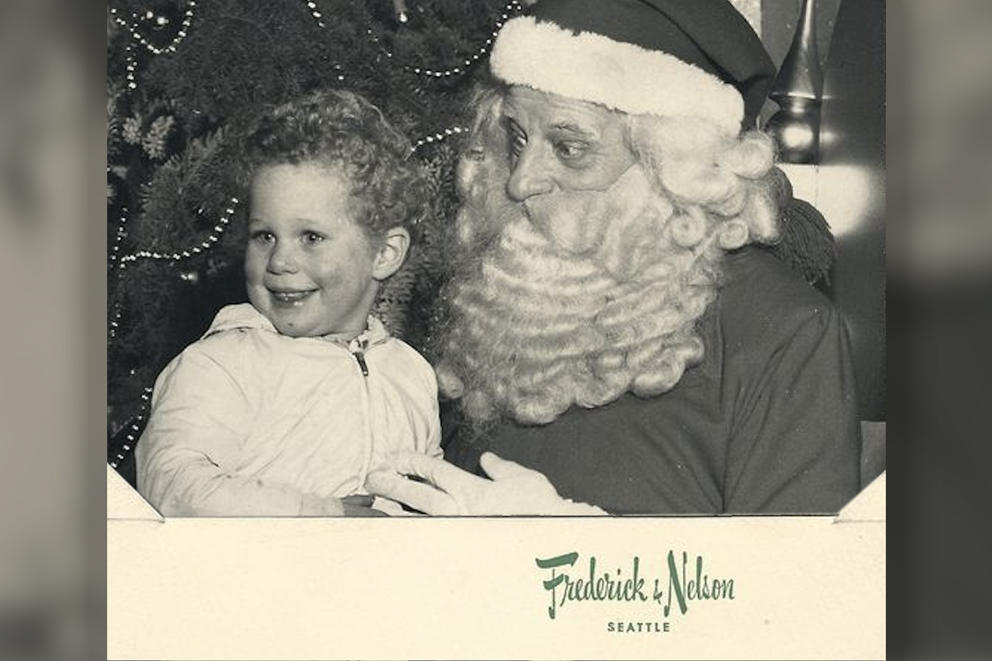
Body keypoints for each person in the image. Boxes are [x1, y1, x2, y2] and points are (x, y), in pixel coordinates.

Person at [367, 0, 861, 515]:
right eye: (516, 139)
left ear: (669, 164)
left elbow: (801, 587)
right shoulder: (490, 299)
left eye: (570, 147)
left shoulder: (783, 330)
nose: (520, 181)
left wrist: (564, 548)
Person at [136, 90, 441, 516]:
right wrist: (323, 517)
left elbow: (430, 502)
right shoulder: (223, 364)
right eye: (264, 236)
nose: (279, 261)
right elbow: (173, 485)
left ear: (385, 253)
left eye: (311, 238)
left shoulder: (412, 374)